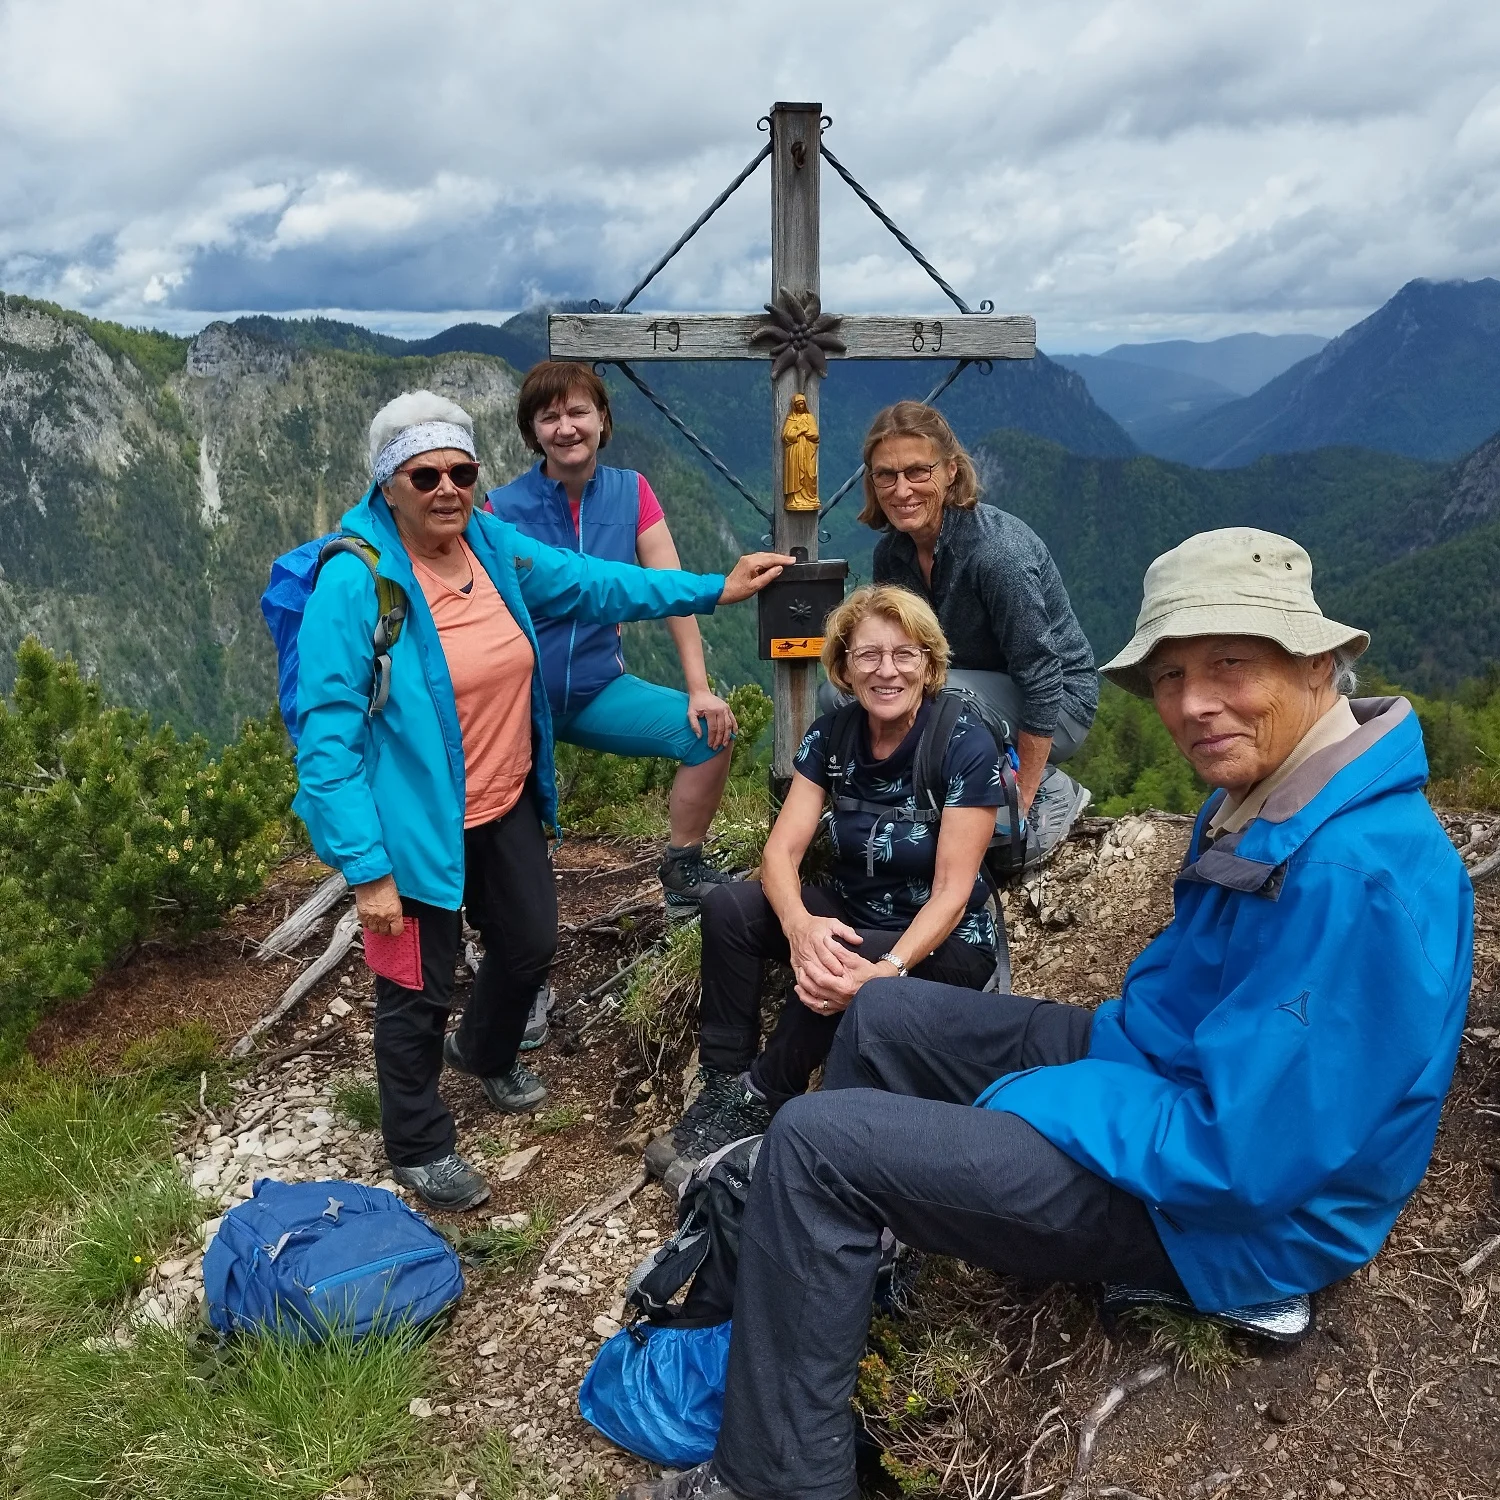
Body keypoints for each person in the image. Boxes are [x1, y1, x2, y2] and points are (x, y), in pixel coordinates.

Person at [622, 528, 1474, 1500]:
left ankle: (775, 1480)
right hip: (1164, 1077)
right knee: (885, 1014)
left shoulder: (1352, 876)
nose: (1193, 703)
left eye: (1230, 665)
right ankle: (852, 1276)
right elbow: (1191, 1009)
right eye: (1171, 675)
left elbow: (1246, 1157)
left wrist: (1042, 1096)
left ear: (1319, 661)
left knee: (815, 1148)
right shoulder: (1272, 794)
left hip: (1233, 1215)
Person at [294, 390, 791, 1212]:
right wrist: (366, 869)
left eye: (462, 472)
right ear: (388, 484)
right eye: (425, 476)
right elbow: (325, 740)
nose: (448, 490)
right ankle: (418, 1142)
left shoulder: (488, 544)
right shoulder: (356, 583)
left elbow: (595, 584)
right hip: (413, 828)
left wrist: (713, 589)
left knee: (527, 944)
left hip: (505, 800)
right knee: (416, 989)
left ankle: (483, 1050)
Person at [646, 585, 1005, 1189]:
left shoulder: (962, 742)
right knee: (730, 907)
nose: (887, 671)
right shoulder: (832, 736)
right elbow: (780, 852)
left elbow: (951, 890)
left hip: (944, 938)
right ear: (844, 666)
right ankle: (724, 1083)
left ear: (928, 663)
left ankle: (765, 1096)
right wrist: (798, 925)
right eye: (868, 655)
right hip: (855, 906)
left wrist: (885, 971)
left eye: (905, 654)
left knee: (838, 959)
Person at [486, 361, 742, 921]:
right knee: (507, 837)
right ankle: (500, 934)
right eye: (549, 417)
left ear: (602, 419)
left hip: (599, 690)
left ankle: (683, 875)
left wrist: (699, 689)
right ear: (532, 432)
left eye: (578, 412)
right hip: (519, 702)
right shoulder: (500, 510)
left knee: (710, 734)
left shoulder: (632, 492)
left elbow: (671, 590)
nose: (566, 428)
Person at [855, 399, 1098, 864]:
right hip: (969, 689)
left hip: (1058, 708)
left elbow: (1042, 677)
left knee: (934, 696)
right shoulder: (893, 555)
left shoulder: (997, 555)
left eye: (917, 471)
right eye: (886, 475)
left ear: (950, 471)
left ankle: (1048, 790)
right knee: (849, 692)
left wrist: (1022, 798)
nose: (902, 489)